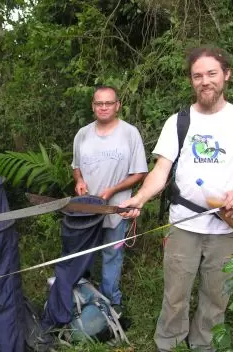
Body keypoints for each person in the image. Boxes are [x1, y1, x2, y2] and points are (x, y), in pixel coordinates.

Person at [119, 46, 233, 351]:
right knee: (175, 293)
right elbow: (161, 170)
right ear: (192, 81)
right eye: (197, 75)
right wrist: (139, 198)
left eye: (212, 74)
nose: (205, 81)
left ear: (226, 75)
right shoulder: (179, 121)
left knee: (217, 295)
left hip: (227, 226)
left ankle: (204, 344)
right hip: (184, 225)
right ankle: (169, 343)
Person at [72, 85, 148, 314]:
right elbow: (76, 167)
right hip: (86, 209)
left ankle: (110, 303)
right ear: (93, 106)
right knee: (84, 253)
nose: (103, 107)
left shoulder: (129, 133)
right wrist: (79, 181)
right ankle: (82, 299)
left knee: (112, 254)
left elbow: (140, 173)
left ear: (117, 106)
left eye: (108, 103)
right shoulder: (82, 134)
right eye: (99, 103)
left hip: (116, 209)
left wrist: (113, 190)